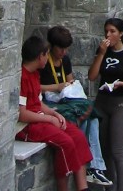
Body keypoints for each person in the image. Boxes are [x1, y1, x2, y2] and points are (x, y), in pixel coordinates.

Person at [17, 35, 92, 191]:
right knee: (65, 142)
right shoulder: (22, 77)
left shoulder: (35, 74)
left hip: (40, 119)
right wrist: (49, 120)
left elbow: (38, 103)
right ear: (40, 56)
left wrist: (54, 114)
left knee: (77, 135)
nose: (48, 58)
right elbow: (22, 114)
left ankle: (82, 187)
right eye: (46, 54)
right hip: (27, 126)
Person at [40, 26, 112, 187]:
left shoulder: (64, 60)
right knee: (85, 119)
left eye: (66, 49)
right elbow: (36, 88)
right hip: (49, 103)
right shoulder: (44, 61)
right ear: (52, 46)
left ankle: (94, 167)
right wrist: (55, 87)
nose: (63, 52)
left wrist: (68, 85)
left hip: (65, 100)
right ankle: (87, 164)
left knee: (91, 117)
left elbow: (69, 79)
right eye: (61, 49)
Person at [88, 18, 123, 191]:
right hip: (102, 102)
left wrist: (122, 84)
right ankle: (110, 187)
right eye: (106, 31)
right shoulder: (103, 51)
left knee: (118, 152)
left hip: (119, 103)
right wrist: (101, 53)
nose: (108, 35)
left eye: (112, 31)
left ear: (120, 34)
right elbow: (92, 76)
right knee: (104, 150)